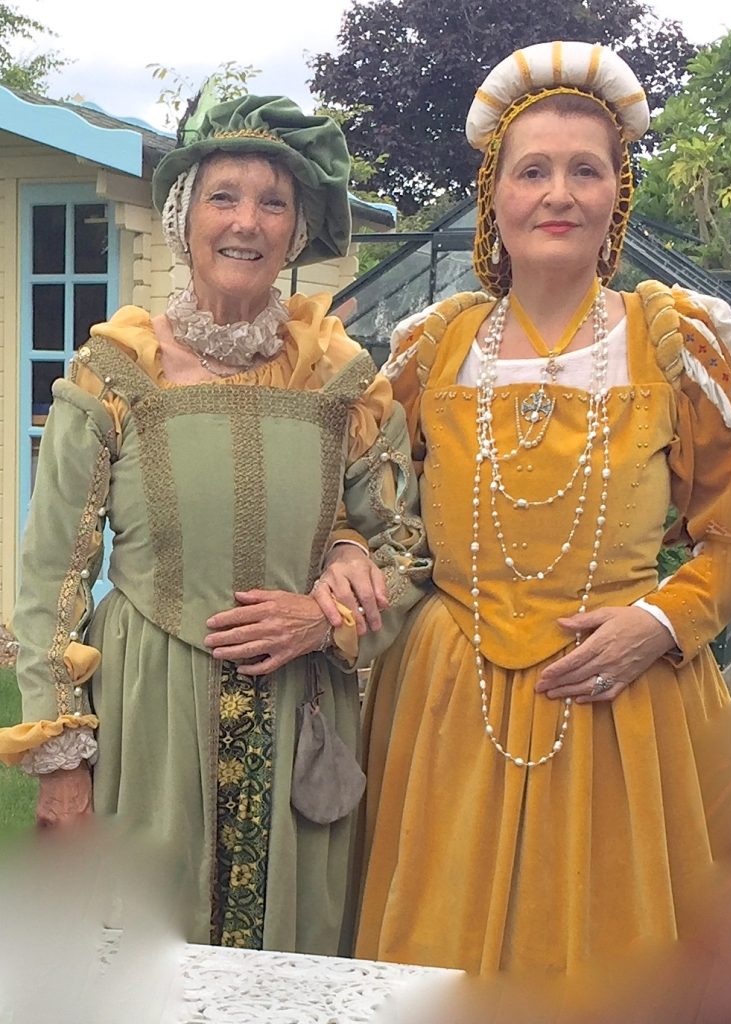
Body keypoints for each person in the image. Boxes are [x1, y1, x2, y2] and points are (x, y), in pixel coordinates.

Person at [355, 41, 731, 973]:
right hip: (450, 704)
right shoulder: (433, 352)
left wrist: (661, 621)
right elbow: (371, 512)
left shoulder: (673, 346)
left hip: (626, 710)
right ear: (494, 194)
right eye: (532, 170)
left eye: (586, 171)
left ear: (617, 194)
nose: (559, 195)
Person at [0, 91, 429, 955]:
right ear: (182, 216)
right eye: (223, 196)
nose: (246, 222)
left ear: (296, 230)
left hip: (300, 712)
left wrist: (327, 614)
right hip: (148, 713)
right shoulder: (115, 372)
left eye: (274, 202)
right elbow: (54, 577)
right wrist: (63, 764)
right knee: (140, 955)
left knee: (294, 961)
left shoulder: (340, 379)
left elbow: (407, 548)